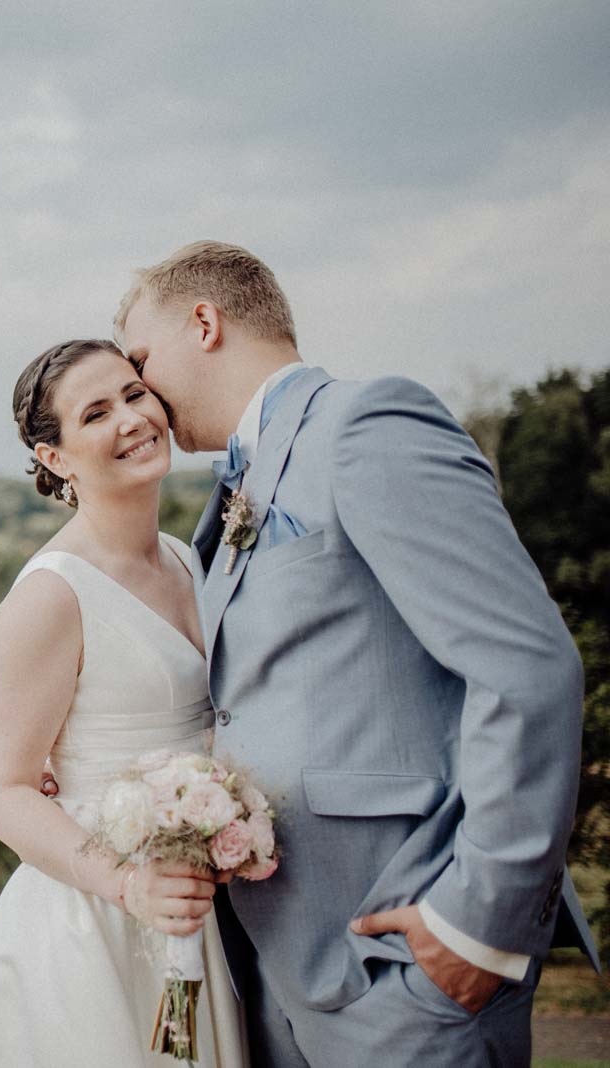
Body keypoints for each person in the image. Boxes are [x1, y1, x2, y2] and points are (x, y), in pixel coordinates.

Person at [112, 240, 598, 1067]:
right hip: (274, 970)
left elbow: (526, 667)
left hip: (397, 962)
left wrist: (478, 926)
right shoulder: (237, 488)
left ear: (204, 322)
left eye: (140, 361)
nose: (139, 394)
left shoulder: (365, 424)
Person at [0, 339, 248, 1067]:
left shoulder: (183, 558)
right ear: (56, 460)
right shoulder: (51, 595)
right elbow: (2, 788)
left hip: (200, 905)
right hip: (98, 921)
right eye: (96, 413)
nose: (132, 420)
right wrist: (129, 885)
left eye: (135, 395)